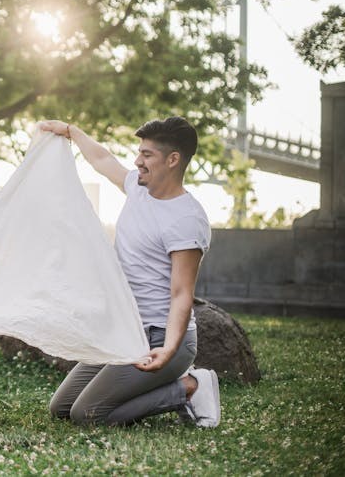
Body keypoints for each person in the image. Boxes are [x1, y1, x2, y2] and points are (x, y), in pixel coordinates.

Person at [39, 116, 221, 427]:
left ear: (173, 160)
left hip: (162, 339)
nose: (137, 161)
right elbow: (101, 158)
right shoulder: (137, 190)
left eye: (147, 155)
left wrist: (168, 349)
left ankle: (190, 388)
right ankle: (166, 387)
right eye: (139, 153)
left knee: (88, 415)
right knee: (62, 408)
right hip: (126, 332)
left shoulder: (187, 219)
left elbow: (181, 294)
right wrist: (71, 131)